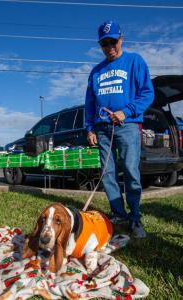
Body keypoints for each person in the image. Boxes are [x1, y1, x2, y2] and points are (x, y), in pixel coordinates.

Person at [85, 20, 154, 238]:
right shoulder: (96, 71)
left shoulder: (135, 61)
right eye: (104, 43)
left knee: (131, 172)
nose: (109, 47)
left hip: (127, 126)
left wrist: (127, 111)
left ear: (121, 39)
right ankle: (117, 213)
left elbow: (147, 93)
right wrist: (90, 128)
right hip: (102, 128)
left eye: (113, 41)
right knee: (107, 173)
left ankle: (134, 217)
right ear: (100, 45)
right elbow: (89, 103)